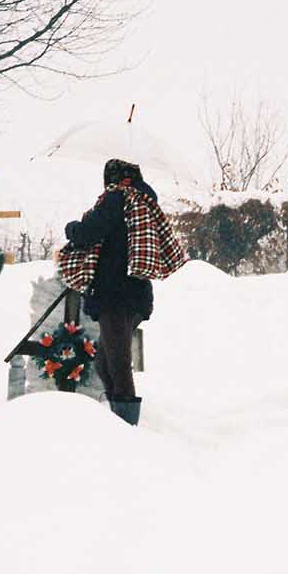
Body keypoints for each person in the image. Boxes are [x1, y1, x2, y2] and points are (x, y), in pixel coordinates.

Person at [62, 158, 187, 425]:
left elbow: (87, 233)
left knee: (117, 366)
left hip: (115, 295)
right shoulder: (143, 201)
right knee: (105, 363)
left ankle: (126, 428)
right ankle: (117, 422)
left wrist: (72, 227)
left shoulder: (117, 199)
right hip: (135, 295)